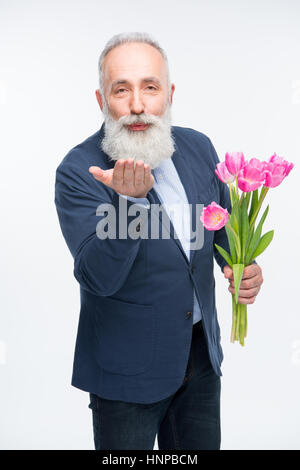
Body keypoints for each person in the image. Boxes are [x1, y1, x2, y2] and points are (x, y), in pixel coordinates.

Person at [54, 32, 264, 450]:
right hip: (127, 374)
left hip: (200, 361)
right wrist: (128, 204)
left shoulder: (199, 147)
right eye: (121, 89)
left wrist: (243, 269)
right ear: (101, 100)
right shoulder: (78, 171)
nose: (137, 105)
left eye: (149, 88)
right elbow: (98, 277)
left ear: (168, 94)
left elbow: (220, 236)